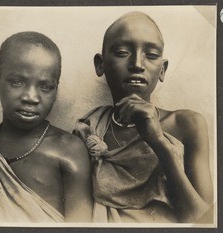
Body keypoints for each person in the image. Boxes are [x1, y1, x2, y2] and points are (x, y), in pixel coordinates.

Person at [74, 11, 213, 223]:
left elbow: (205, 222)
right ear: (100, 64)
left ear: (163, 70)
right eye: (122, 52)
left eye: (151, 54)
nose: (137, 64)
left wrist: (159, 141)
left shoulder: (187, 124)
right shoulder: (89, 130)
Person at [0, 31, 93, 224]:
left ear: (56, 91)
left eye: (45, 87)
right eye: (17, 82)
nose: (31, 97)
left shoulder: (70, 150)